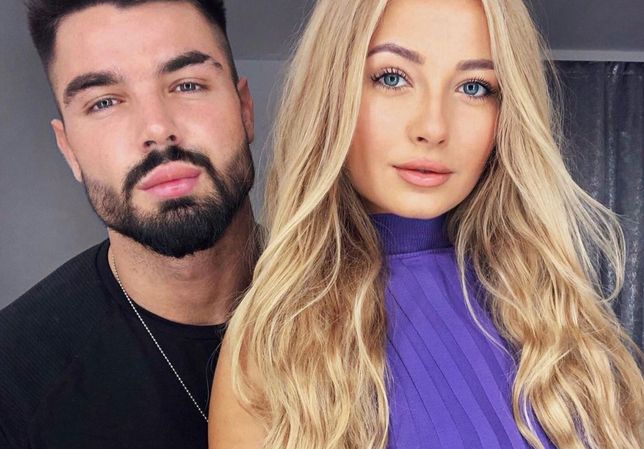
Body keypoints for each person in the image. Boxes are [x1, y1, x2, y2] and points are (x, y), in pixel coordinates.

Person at [209, 0, 644, 448]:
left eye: (474, 87)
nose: (433, 127)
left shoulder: (558, 308)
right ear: (332, 91)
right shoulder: (270, 343)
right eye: (392, 78)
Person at [0, 1, 257, 448]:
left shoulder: (363, 305)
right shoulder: (13, 380)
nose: (157, 128)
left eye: (188, 84)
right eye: (104, 102)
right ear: (69, 149)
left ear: (245, 109)